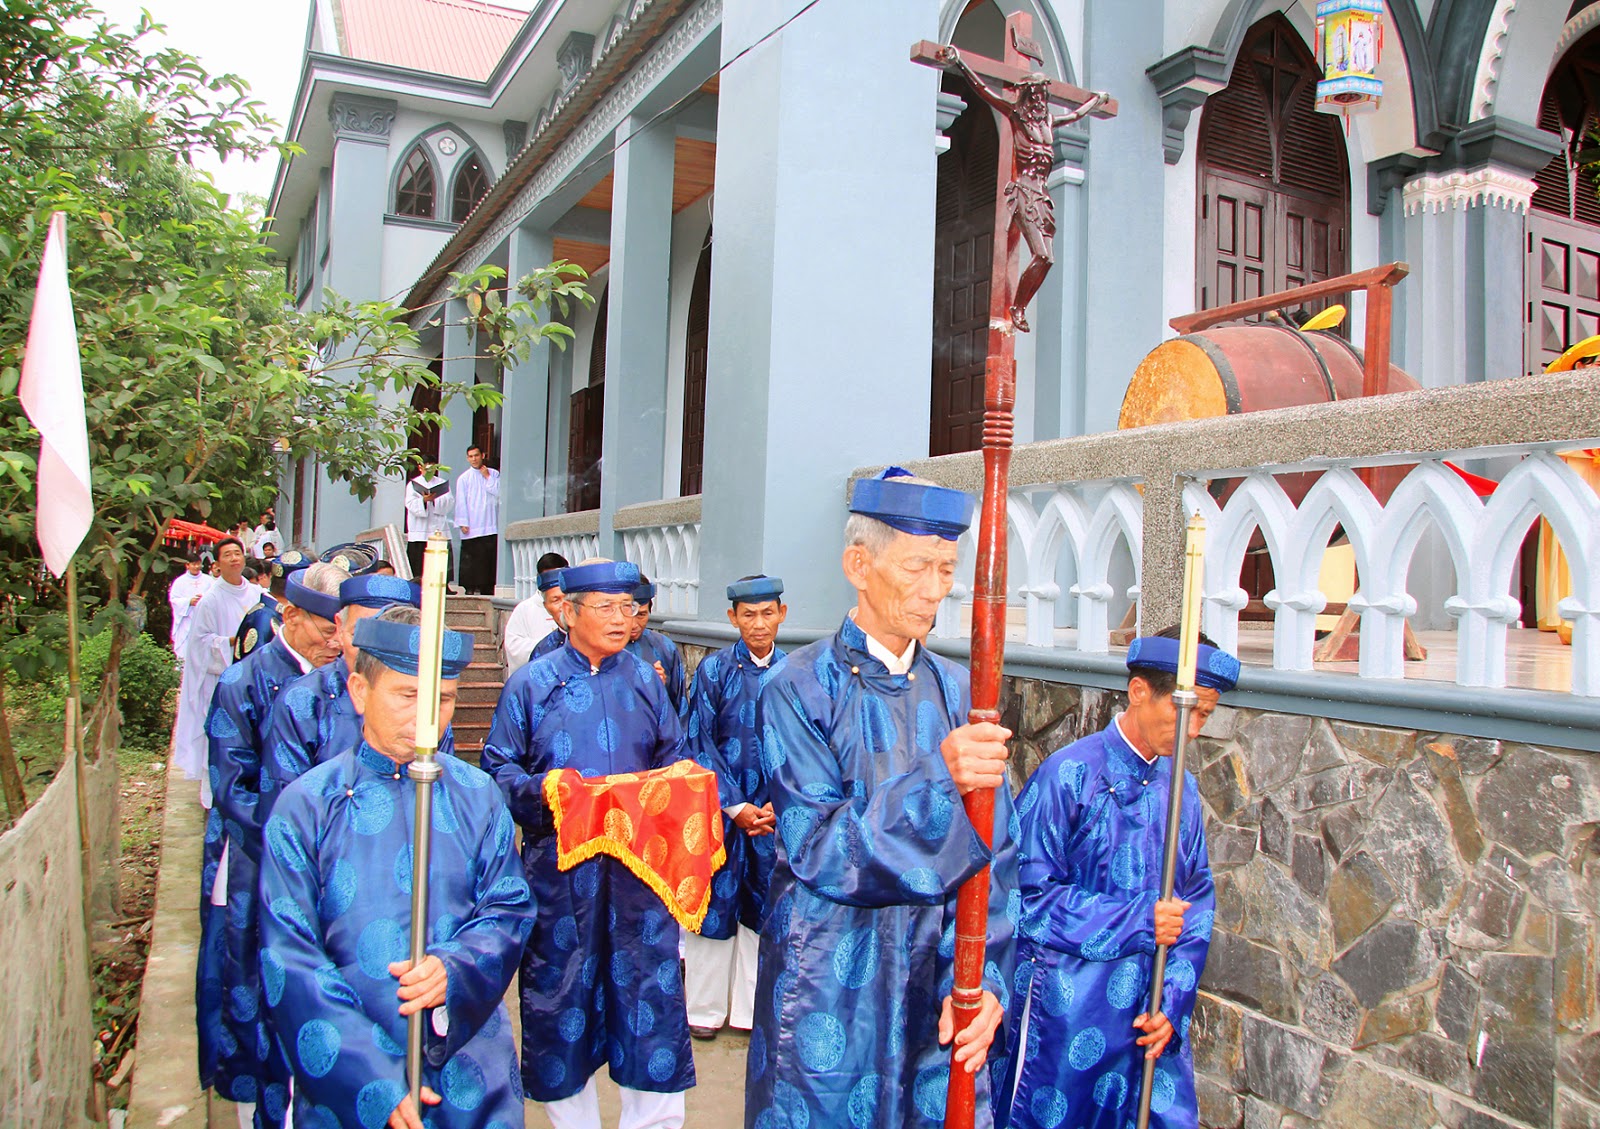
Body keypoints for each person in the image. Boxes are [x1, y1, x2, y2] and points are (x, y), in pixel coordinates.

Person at [744, 467, 1018, 1129]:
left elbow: (1000, 856)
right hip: (829, 981)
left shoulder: (963, 692)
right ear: (858, 566)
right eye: (917, 566)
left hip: (935, 978)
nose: (935, 589)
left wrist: (983, 979)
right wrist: (939, 779)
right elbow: (818, 847)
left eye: (947, 569)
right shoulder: (797, 687)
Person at [259, 607, 535, 1129]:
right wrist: (369, 1080)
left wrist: (455, 968)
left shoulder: (477, 795)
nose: (427, 716)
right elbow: (289, 956)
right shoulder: (307, 807)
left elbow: (509, 908)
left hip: (470, 1065)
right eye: (407, 695)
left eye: (443, 699)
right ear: (360, 691)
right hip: (352, 1074)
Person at [480, 560, 694, 1129]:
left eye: (628, 607)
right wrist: (544, 792)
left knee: (649, 999)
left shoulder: (646, 679)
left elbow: (675, 758)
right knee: (561, 996)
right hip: (561, 876)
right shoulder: (532, 684)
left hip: (640, 877)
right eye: (606, 607)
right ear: (568, 613)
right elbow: (497, 770)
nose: (621, 618)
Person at [1003, 629, 1235, 1129]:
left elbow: (1196, 899)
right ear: (1139, 691)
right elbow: (1025, 898)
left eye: (1205, 715)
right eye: (1185, 711)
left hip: (1147, 1016)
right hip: (1067, 1011)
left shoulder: (1183, 789)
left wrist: (1173, 1000)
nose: (1194, 730)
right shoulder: (1067, 776)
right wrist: (1139, 921)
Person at [196, 561, 348, 1127]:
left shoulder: (349, 684)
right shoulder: (245, 683)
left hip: (336, 868)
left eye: (342, 631)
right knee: (251, 984)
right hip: (260, 858)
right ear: (290, 614)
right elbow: (232, 789)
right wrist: (299, 852)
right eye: (326, 629)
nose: (335, 642)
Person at [681, 574, 787, 1040]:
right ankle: (703, 1010)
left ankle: (749, 1011)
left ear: (782, 614)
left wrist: (778, 801)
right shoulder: (713, 671)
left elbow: (807, 748)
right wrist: (734, 805)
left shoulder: (796, 673)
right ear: (732, 618)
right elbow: (697, 742)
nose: (758, 624)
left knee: (762, 909)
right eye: (748, 615)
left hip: (773, 817)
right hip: (719, 813)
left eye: (767, 613)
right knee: (712, 906)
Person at [259, 572, 437, 819]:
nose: (370, 650)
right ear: (339, 627)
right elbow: (285, 805)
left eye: (385, 638)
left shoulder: (429, 703)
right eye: (358, 634)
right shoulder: (302, 701)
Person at [172, 537, 260, 804]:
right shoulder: (211, 600)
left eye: (237, 553)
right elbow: (199, 644)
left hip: (252, 679)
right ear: (218, 563)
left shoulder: (257, 594)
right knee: (221, 737)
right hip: (220, 681)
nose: (234, 558)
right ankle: (214, 796)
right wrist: (231, 642)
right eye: (227, 555)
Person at [1535, 336, 1600, 645]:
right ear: (1579, 366)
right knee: (1575, 532)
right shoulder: (1565, 396)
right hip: (1575, 463)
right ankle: (1569, 614)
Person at [625, 575, 686, 710]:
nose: (634, 624)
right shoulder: (600, 648)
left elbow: (679, 707)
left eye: (641, 615)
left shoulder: (665, 648)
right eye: (628, 615)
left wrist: (658, 688)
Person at [503, 553, 568, 671]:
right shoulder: (524, 609)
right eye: (555, 600)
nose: (562, 605)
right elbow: (514, 646)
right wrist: (550, 646)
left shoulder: (576, 606)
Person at [455, 445, 501, 594]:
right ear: (467, 458)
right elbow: (461, 501)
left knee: (487, 559)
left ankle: (486, 587)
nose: (474, 459)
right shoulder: (464, 478)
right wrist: (463, 522)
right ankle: (470, 587)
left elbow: (499, 492)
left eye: (476, 455)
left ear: (483, 455)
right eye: (471, 456)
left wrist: (487, 477)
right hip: (472, 524)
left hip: (490, 523)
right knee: (471, 559)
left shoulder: (494, 474)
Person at [405, 462, 455, 580]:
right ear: (420, 467)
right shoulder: (413, 484)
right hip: (419, 529)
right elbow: (410, 503)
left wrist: (434, 499)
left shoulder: (441, 483)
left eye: (431, 468)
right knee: (419, 565)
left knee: (439, 563)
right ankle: (418, 583)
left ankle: (442, 584)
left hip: (438, 527)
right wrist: (423, 500)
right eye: (425, 468)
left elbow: (449, 502)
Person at [168, 551, 213, 661]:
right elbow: (174, 600)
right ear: (187, 565)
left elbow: (215, 597)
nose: (197, 567)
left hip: (204, 620)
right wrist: (188, 602)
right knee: (185, 651)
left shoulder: (209, 580)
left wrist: (203, 600)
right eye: (194, 564)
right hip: (186, 620)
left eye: (198, 564)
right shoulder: (179, 582)